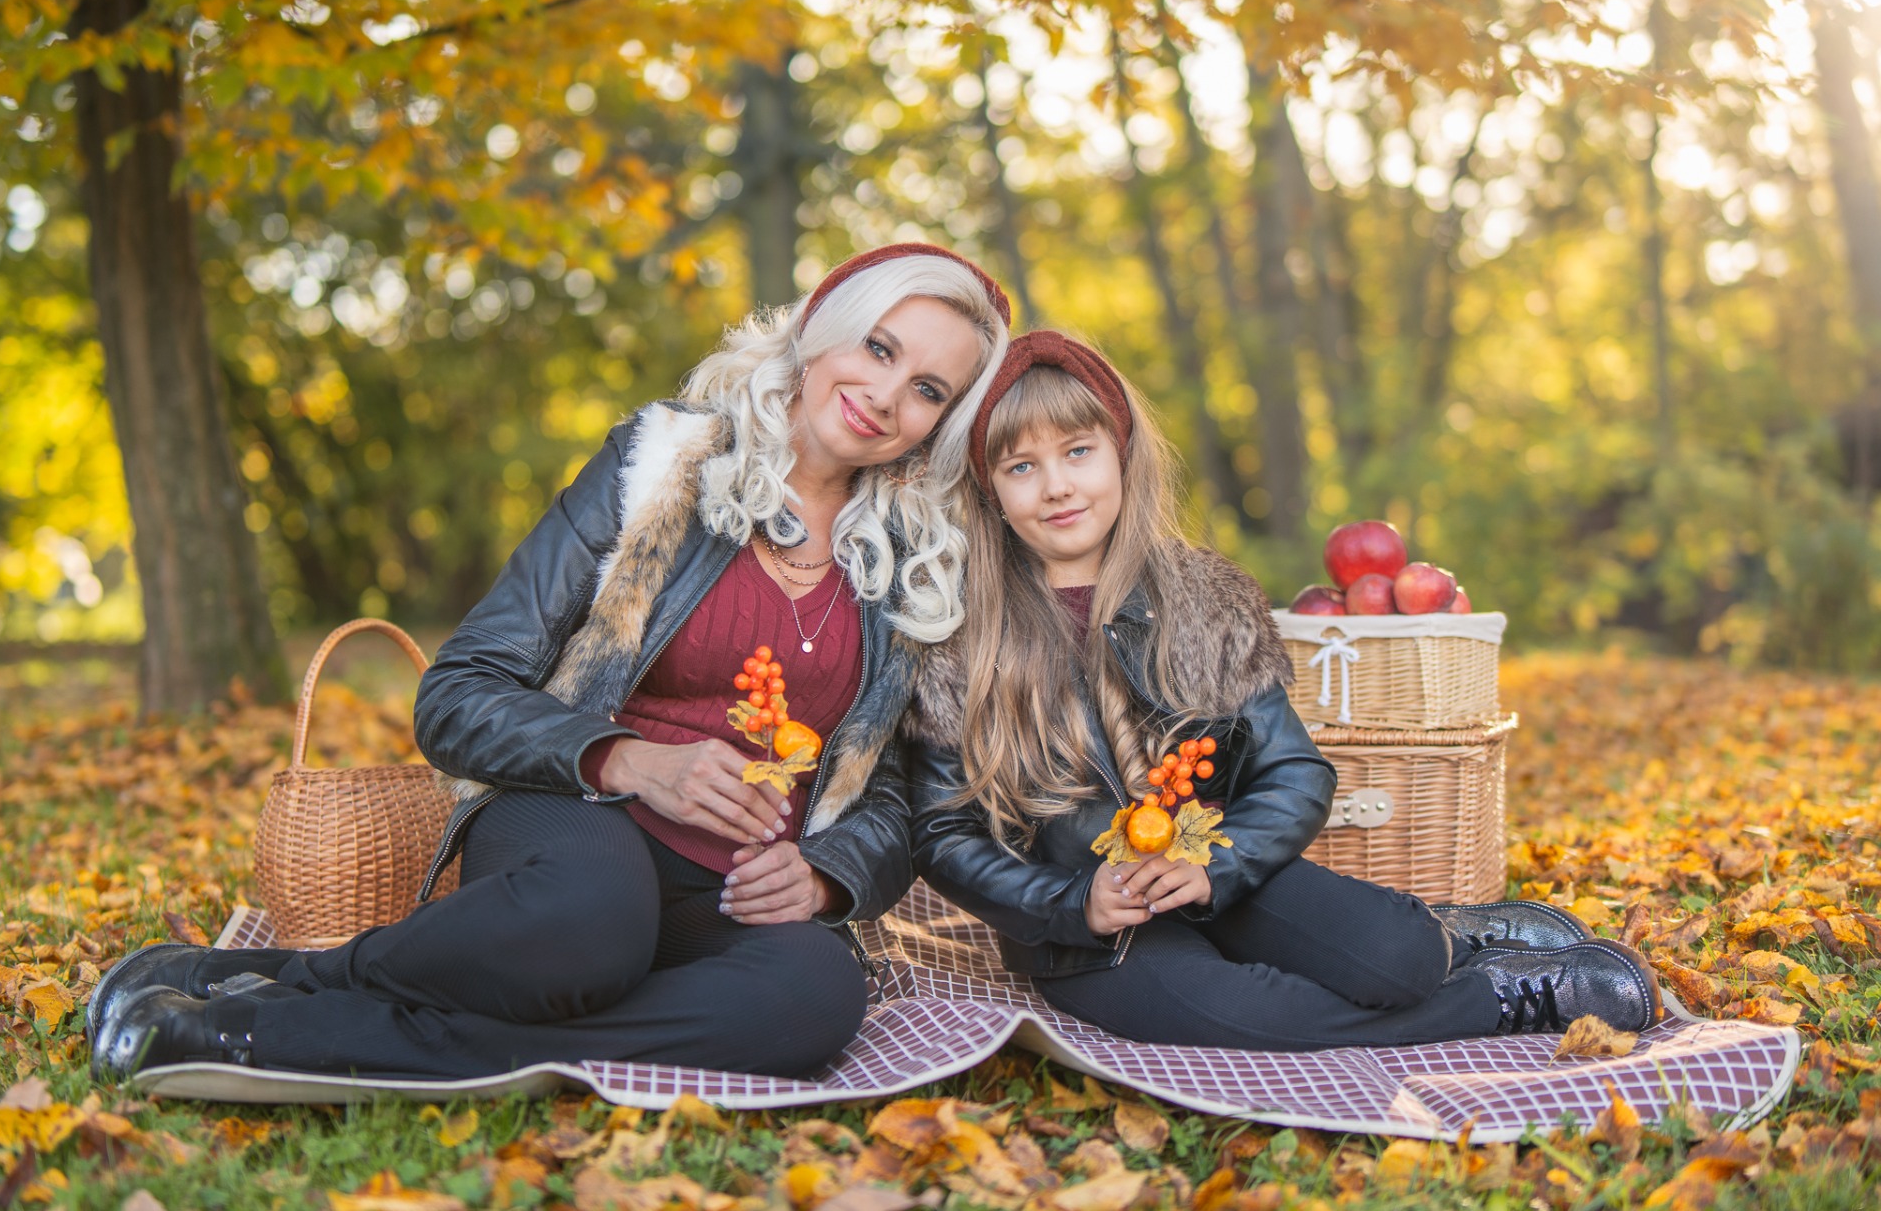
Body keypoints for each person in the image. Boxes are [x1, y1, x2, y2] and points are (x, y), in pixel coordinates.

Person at [88, 244, 1013, 1082]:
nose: (889, 396)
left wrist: (828, 872)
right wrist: (628, 759)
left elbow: (891, 790)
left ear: (941, 422)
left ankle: (292, 1023)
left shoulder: (914, 561)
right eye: (880, 349)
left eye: (931, 389)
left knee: (815, 995)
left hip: (727, 886)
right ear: (823, 334)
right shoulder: (661, 464)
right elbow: (456, 694)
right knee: (589, 926)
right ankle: (294, 981)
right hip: (576, 823)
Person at [904, 330, 1662, 1050]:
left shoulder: (1204, 597)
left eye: (1077, 451)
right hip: (1088, 931)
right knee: (1244, 1013)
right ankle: (1497, 996)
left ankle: (1455, 937)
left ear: (1121, 454)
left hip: (1221, 875)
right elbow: (944, 833)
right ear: (990, 488)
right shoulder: (962, 632)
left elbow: (1295, 770)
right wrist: (1071, 905)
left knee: (1399, 959)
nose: (1058, 486)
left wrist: (1215, 868)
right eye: (1022, 466)